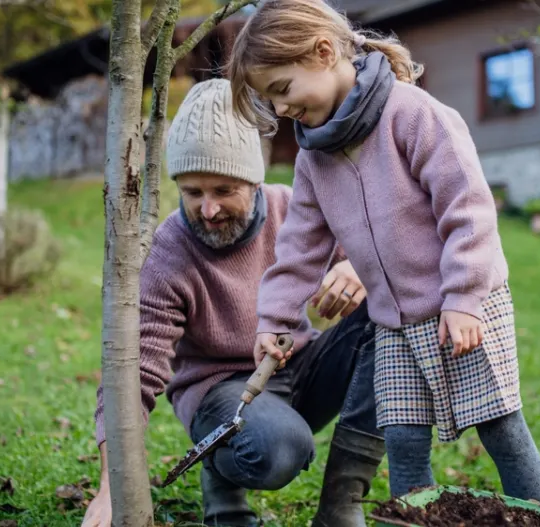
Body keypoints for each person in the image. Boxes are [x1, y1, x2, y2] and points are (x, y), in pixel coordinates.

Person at [225, 0, 540, 504]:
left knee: (500, 427)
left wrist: (463, 298)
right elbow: (300, 246)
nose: (282, 109)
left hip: (464, 306)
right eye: (271, 101)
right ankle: (414, 517)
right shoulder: (314, 154)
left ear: (323, 51)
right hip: (393, 325)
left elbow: (468, 210)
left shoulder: (413, 114)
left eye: (283, 90)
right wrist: (275, 318)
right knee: (401, 439)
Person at [81, 78, 385, 527]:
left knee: (393, 316)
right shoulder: (168, 253)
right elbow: (133, 372)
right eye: (192, 192)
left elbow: (391, 253)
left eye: (224, 191)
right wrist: (111, 489)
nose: (207, 209)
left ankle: (342, 503)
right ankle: (221, 476)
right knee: (279, 449)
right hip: (220, 391)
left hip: (299, 366)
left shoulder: (293, 209)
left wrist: (362, 266)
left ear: (255, 180)